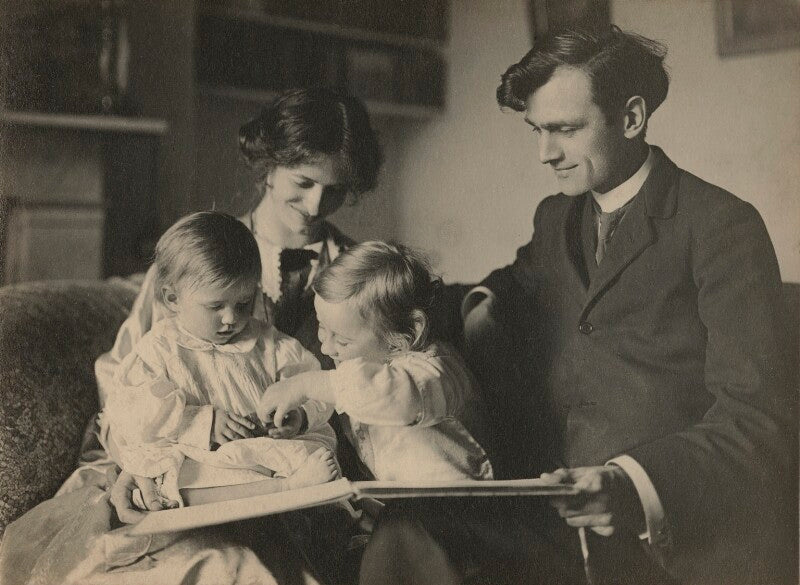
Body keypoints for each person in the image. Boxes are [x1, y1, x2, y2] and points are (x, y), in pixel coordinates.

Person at [360, 26, 797, 585]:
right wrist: (386, 310)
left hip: (665, 535)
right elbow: (508, 286)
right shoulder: (557, 218)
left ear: (632, 118)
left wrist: (630, 483)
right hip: (554, 516)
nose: (546, 153)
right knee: (402, 531)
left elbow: (760, 420)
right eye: (537, 130)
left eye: (564, 130)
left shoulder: (721, 226)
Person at [0, 87, 382, 585]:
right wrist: (139, 465)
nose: (316, 204)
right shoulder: (195, 257)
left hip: (294, 479)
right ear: (268, 166)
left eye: (335, 190)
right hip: (176, 468)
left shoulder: (359, 274)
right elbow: (125, 383)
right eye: (304, 182)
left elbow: (367, 392)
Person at [104, 211, 339, 507]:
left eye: (243, 304)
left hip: (261, 454)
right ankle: (286, 490)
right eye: (215, 306)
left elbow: (313, 385)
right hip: (203, 459)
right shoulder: (160, 349)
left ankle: (290, 490)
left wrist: (297, 415)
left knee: (312, 456)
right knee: (171, 475)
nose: (231, 319)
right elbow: (133, 409)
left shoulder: (269, 343)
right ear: (172, 299)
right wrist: (200, 422)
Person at [258, 241, 493, 482]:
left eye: (343, 341)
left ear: (401, 337)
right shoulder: (363, 371)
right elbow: (346, 400)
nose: (327, 348)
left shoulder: (434, 370)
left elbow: (395, 397)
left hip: (459, 501)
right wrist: (303, 419)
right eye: (321, 327)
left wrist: (304, 385)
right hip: (402, 501)